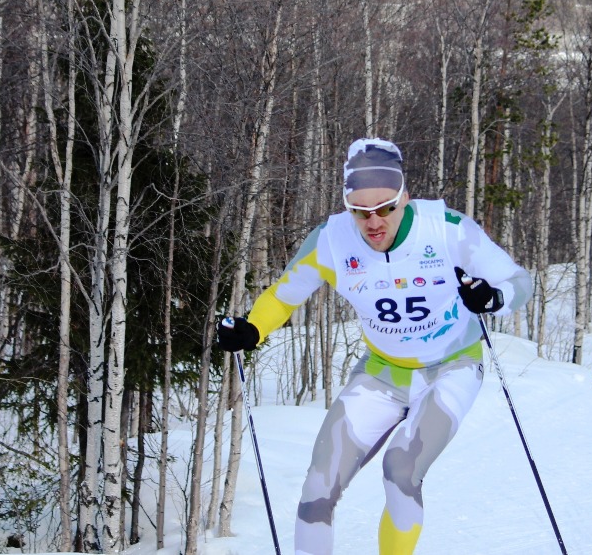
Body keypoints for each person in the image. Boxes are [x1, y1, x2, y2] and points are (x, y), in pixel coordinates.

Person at [216, 138, 532, 555]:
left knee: (400, 470)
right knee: (318, 484)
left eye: (385, 208)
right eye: (360, 212)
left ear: (405, 197)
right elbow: (282, 295)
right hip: (382, 370)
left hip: (451, 366)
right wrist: (252, 329)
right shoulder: (331, 240)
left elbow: (519, 282)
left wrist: (492, 297)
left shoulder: (448, 229)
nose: (374, 222)